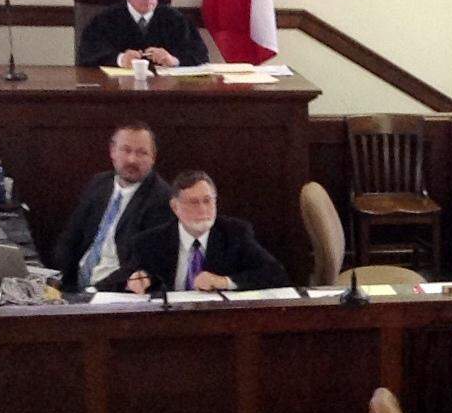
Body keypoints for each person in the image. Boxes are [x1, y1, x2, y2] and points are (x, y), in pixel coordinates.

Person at [120, 170, 288, 293]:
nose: (202, 210)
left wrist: (224, 282)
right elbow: (120, 278)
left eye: (207, 201)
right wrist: (133, 282)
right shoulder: (151, 241)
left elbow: (275, 274)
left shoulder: (235, 234)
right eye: (193, 202)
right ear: (175, 207)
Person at [52, 121, 173, 291]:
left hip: (114, 293)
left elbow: (141, 265)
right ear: (112, 152)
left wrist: (94, 292)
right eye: (126, 150)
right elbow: (70, 237)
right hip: (73, 284)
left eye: (142, 153)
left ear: (153, 158)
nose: (132, 159)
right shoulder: (99, 184)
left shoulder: (161, 199)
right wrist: (58, 277)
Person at [76, 0, 208, 69]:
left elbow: (200, 55)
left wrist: (174, 60)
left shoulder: (176, 19)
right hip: (116, 93)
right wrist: (121, 59)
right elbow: (86, 55)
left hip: (165, 93)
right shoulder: (104, 20)